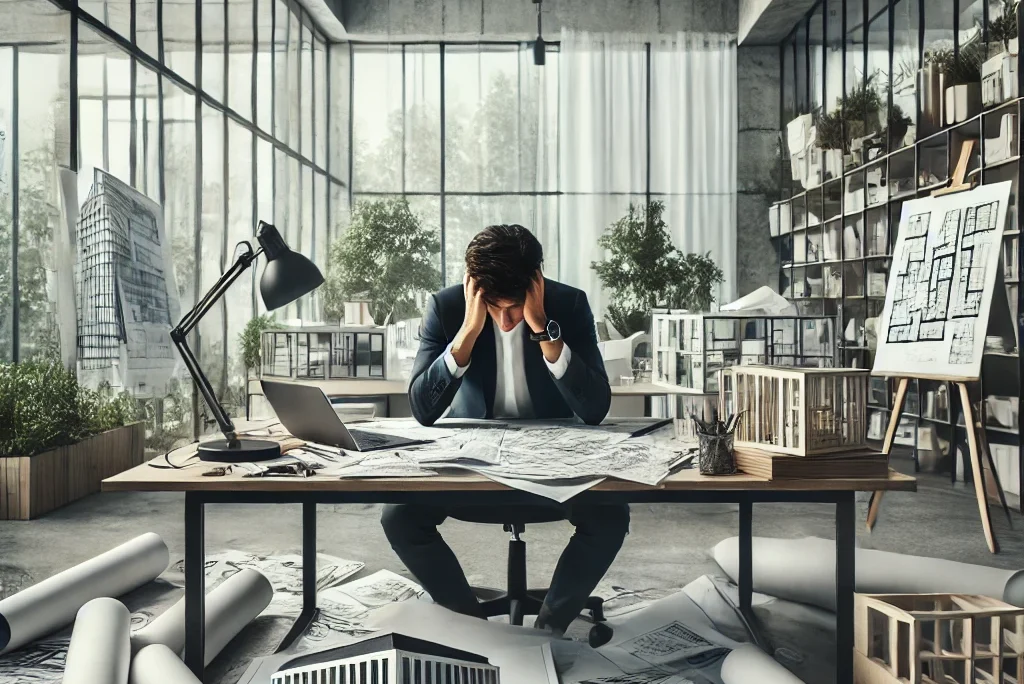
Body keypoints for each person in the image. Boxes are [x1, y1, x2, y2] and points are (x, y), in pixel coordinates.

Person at [380, 224, 629, 636]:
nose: (505, 319)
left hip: (552, 474)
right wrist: (467, 332)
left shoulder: (568, 305)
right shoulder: (446, 308)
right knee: (399, 517)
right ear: (473, 288)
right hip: (474, 477)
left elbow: (595, 408)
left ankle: (549, 629)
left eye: (513, 306)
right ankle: (471, 625)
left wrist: (543, 328)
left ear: (537, 282)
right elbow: (423, 409)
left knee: (610, 515)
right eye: (495, 307)